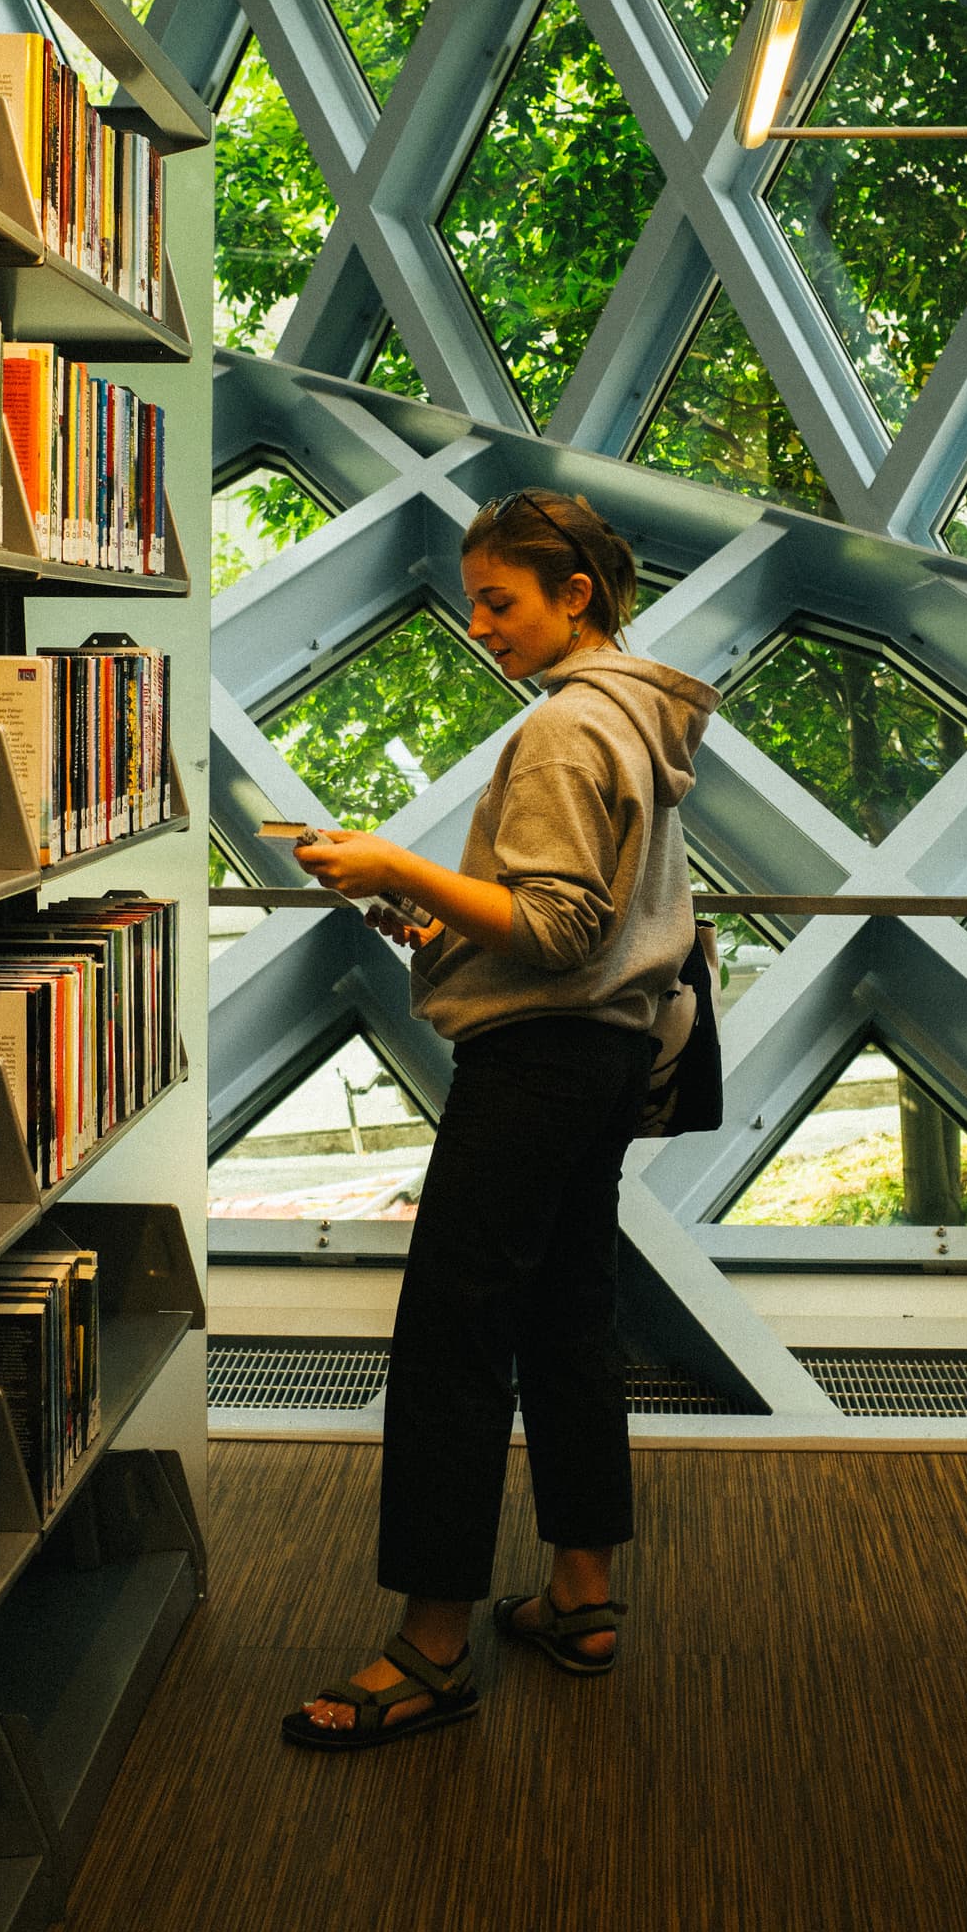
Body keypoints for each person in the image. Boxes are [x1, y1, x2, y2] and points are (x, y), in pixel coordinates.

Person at [282, 489, 717, 1752]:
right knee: (567, 1319)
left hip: (536, 1067)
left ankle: (427, 1650)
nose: (479, 626)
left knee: (451, 1337)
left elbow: (565, 928)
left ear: (574, 595)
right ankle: (578, 1594)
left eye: (499, 600)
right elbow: (590, 926)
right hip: (605, 1058)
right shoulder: (638, 717)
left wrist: (395, 867)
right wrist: (437, 919)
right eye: (474, 600)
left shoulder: (569, 730)